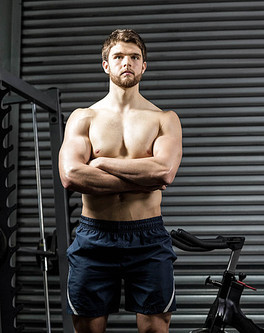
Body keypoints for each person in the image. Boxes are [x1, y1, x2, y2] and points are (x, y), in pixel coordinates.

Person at [58, 29, 182, 333]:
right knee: (87, 328)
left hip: (148, 237)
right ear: (106, 65)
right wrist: (143, 179)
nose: (126, 62)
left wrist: (101, 163)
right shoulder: (83, 117)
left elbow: (164, 172)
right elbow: (71, 175)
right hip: (94, 235)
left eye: (134, 57)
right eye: (118, 57)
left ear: (143, 66)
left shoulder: (164, 119)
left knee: (155, 327)